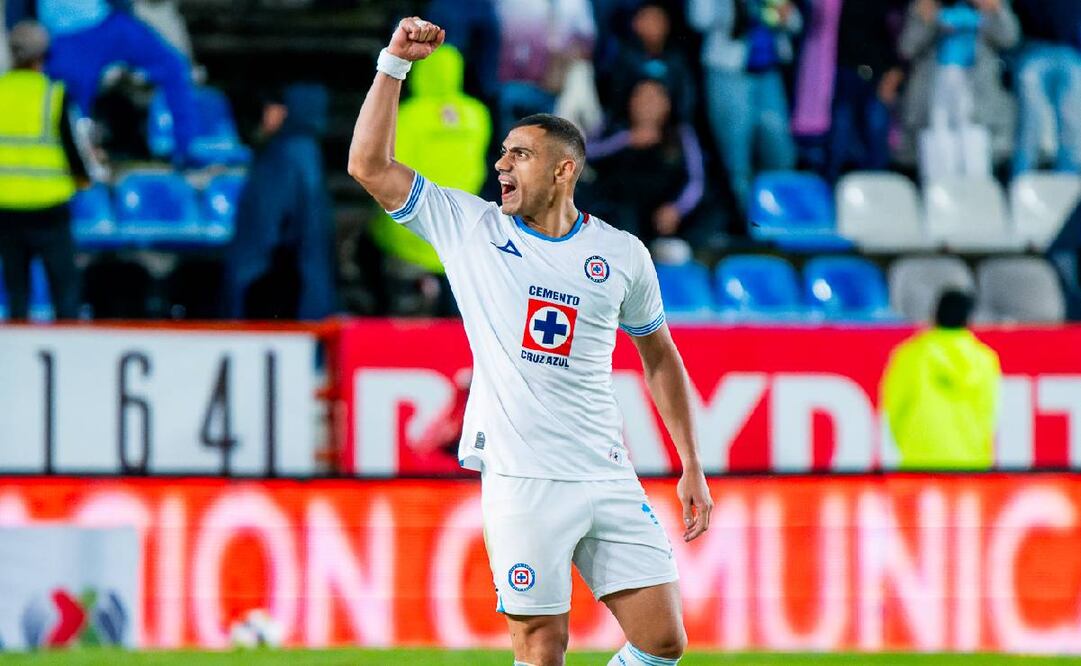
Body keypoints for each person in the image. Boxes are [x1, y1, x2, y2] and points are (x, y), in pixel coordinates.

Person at [348, 17, 713, 666]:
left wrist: (689, 463)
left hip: (605, 469)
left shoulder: (619, 253)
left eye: (519, 153)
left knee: (662, 640)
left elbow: (657, 354)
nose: (500, 163)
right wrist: (392, 66)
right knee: (540, 644)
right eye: (503, 151)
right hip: (521, 476)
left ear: (564, 170)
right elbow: (367, 166)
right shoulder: (469, 226)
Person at [368, 43, 491, 312]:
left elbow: (382, 171)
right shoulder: (477, 115)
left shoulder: (406, 116)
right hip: (458, 232)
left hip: (409, 235)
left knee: (369, 245)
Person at [6, 0, 198, 164]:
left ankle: (185, 149)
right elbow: (15, 10)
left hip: (107, 23)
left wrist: (125, 15)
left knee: (173, 65)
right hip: (64, 36)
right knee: (73, 100)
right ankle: (83, 164)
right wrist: (22, 40)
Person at [0, 20, 88, 320]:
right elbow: (73, 150)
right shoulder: (53, 95)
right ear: (44, 55)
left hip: (6, 207)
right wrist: (84, 180)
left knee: (17, 292)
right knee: (64, 289)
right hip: (49, 208)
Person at [225, 83, 335, 320]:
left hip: (274, 300)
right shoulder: (310, 155)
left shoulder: (280, 159)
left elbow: (263, 233)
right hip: (307, 296)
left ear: (283, 111)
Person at [688, 0, 802, 216]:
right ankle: (748, 223)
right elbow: (699, 19)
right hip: (728, 72)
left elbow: (795, 21)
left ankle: (781, 218)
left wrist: (782, 13)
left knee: (781, 153)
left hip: (768, 72)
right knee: (737, 159)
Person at [896, 0, 1019, 179]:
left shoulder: (989, 4)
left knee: (973, 143)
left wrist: (995, 10)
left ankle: (976, 193)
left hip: (978, 94)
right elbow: (907, 48)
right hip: (934, 92)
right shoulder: (926, 4)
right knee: (938, 140)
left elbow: (1010, 39)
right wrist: (926, 20)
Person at [587, 78, 717, 247]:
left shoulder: (680, 134)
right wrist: (626, 140)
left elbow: (696, 181)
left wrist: (676, 209)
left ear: (667, 103)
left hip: (664, 216)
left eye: (654, 98)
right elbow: (586, 153)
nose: (646, 105)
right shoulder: (614, 127)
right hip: (619, 215)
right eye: (640, 97)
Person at [881, 289, 1001, 469]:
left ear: (934, 314)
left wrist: (907, 443)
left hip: (918, 461)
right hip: (971, 462)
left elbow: (894, 405)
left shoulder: (910, 355)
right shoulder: (984, 359)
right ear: (968, 319)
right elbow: (987, 413)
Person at [826, 0, 907, 181]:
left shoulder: (892, 6)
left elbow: (899, 36)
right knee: (841, 141)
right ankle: (837, 192)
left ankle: (877, 197)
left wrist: (897, 71)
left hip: (879, 75)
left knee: (876, 138)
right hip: (847, 73)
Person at [1011, 0, 1081, 174]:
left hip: (1071, 50)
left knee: (1072, 120)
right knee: (1031, 118)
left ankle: (1070, 180)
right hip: (1033, 48)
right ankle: (1022, 176)